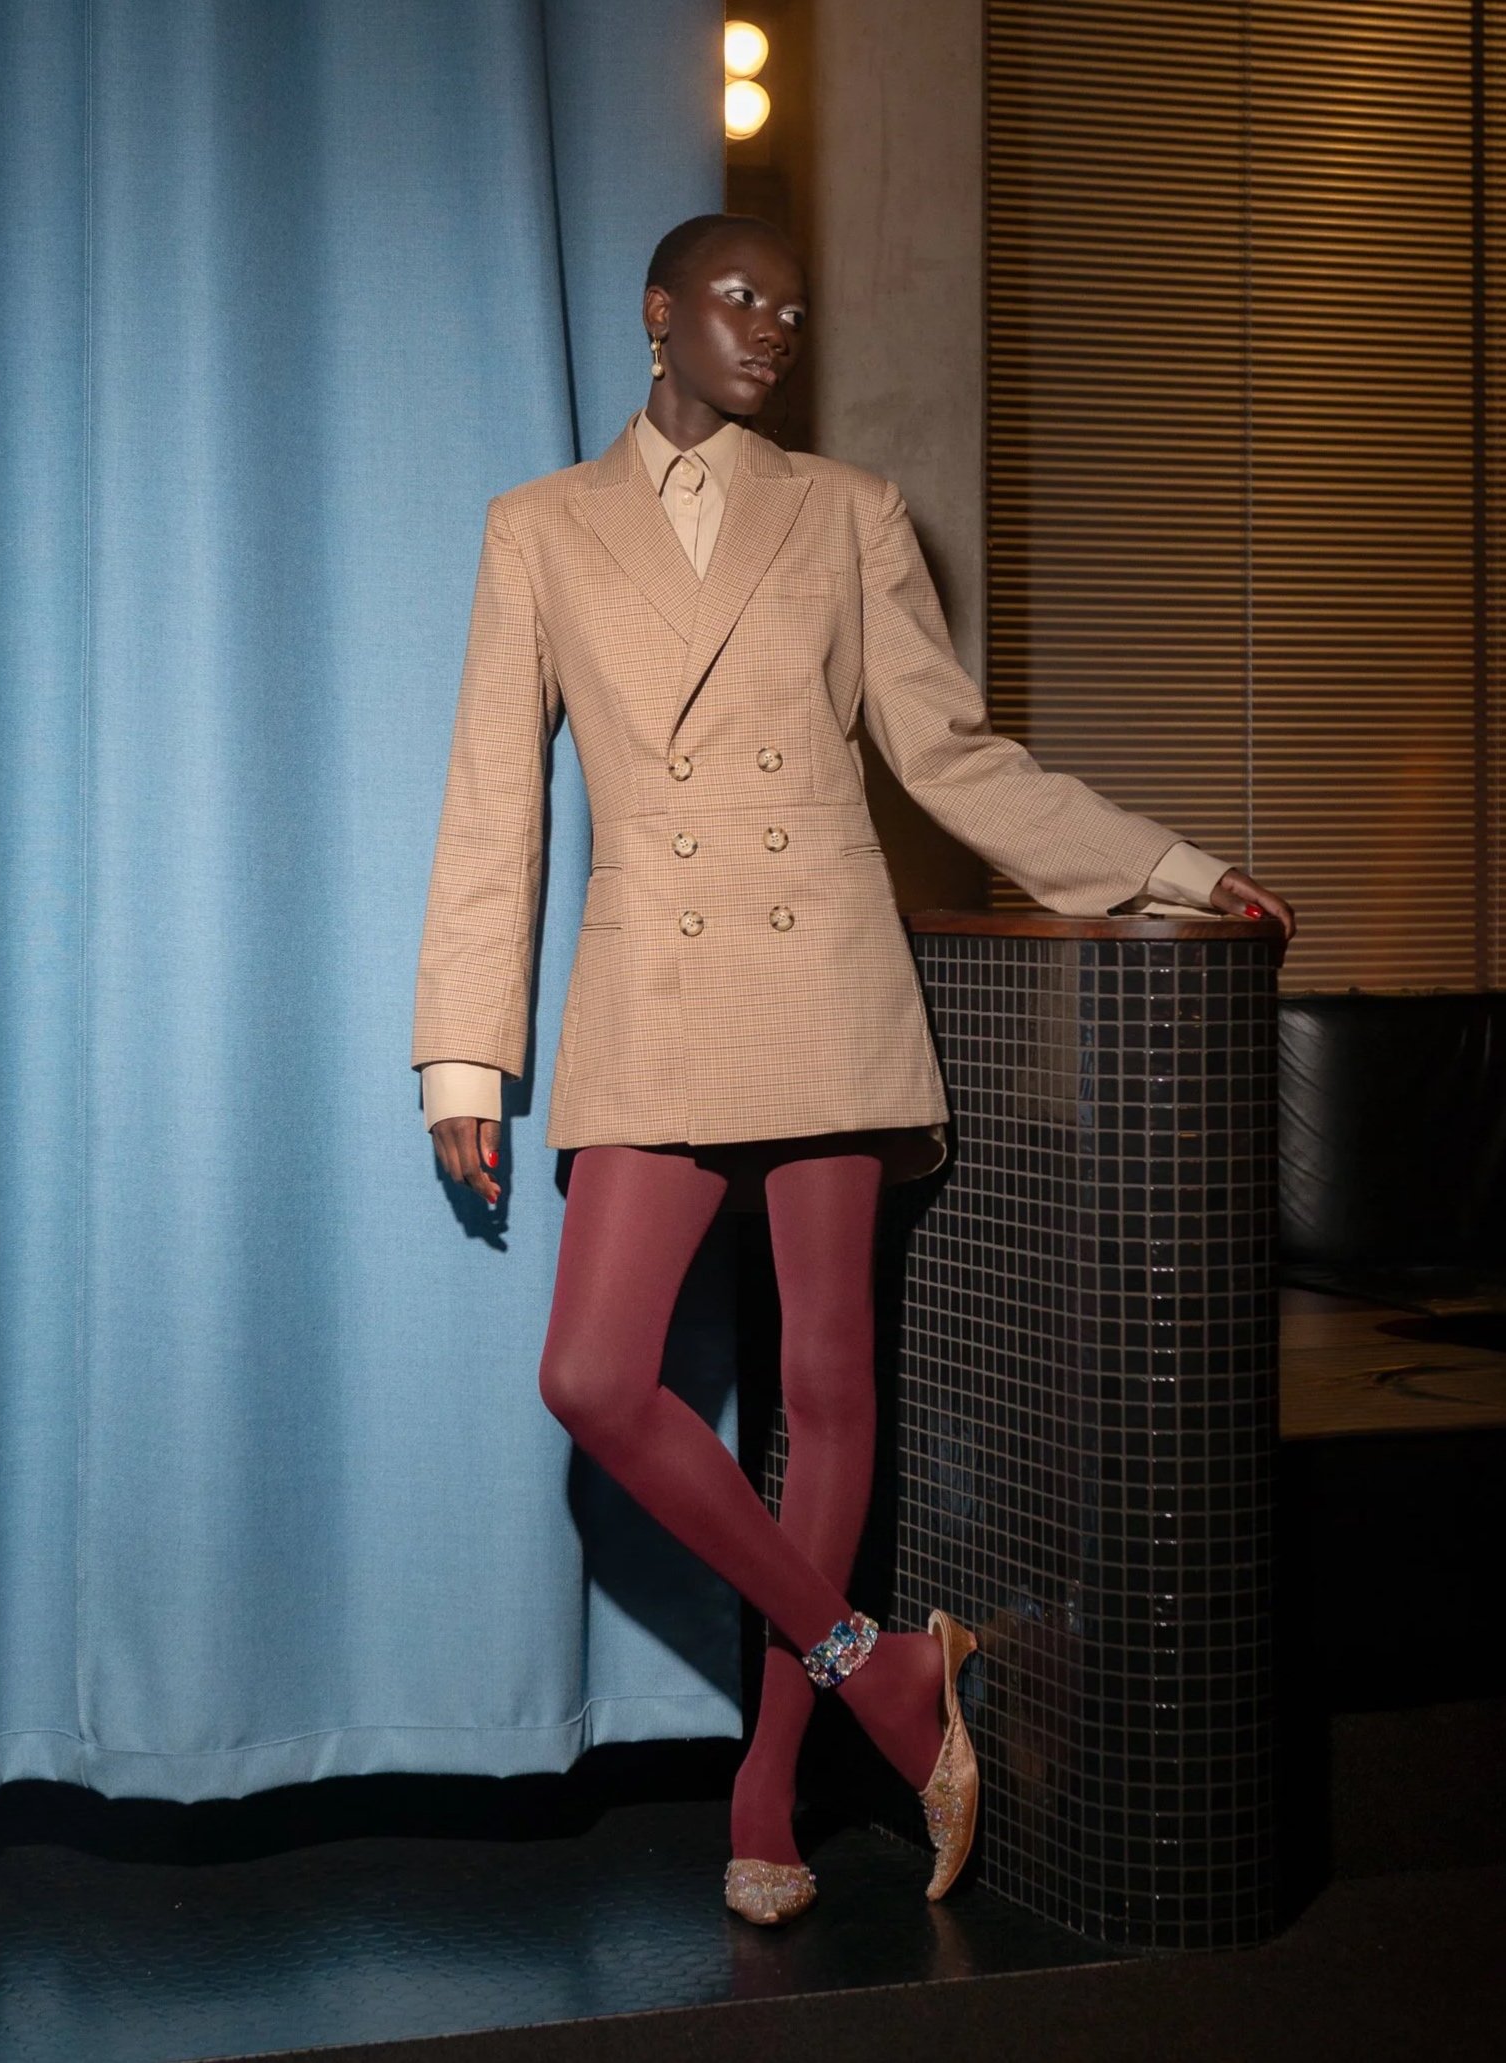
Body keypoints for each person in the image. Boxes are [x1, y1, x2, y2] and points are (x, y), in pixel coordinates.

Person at [412, 212, 1296, 1927]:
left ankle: (768, 1785)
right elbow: (490, 797)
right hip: (655, 994)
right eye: (739, 298)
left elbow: (948, 754)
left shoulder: (849, 512)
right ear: (659, 313)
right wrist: (464, 1051)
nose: (772, 328)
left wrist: (1166, 868)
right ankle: (882, 1667)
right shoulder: (539, 526)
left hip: (822, 975)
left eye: (793, 310)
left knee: (826, 1384)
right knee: (594, 1379)